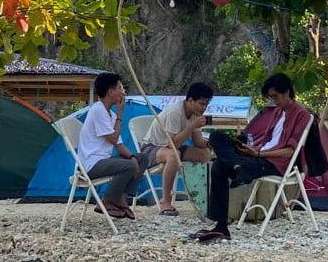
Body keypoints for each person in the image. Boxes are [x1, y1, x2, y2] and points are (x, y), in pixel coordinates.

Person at [192, 73, 311, 242]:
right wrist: (251, 149)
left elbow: (290, 151)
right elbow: (267, 141)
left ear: (286, 92)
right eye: (271, 97)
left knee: (219, 165)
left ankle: (221, 226)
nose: (274, 100)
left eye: (275, 96)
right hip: (258, 155)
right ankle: (236, 167)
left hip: (274, 162)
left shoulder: (301, 114)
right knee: (216, 136)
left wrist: (259, 154)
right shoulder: (277, 113)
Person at [78, 72, 155, 220]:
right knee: (129, 166)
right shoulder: (98, 110)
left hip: (104, 161)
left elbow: (119, 145)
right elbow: (113, 138)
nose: (123, 91)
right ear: (111, 91)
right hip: (91, 164)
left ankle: (122, 198)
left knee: (142, 158)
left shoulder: (109, 115)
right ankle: (107, 200)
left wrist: (133, 157)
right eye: (120, 87)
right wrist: (120, 113)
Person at [139, 82, 213, 216]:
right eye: (201, 104)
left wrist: (212, 144)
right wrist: (191, 126)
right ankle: (165, 201)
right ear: (190, 100)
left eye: (206, 105)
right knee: (174, 155)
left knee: (205, 155)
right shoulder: (175, 112)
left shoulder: (196, 114)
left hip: (174, 147)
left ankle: (201, 197)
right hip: (152, 148)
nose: (204, 108)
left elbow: (198, 142)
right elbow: (173, 144)